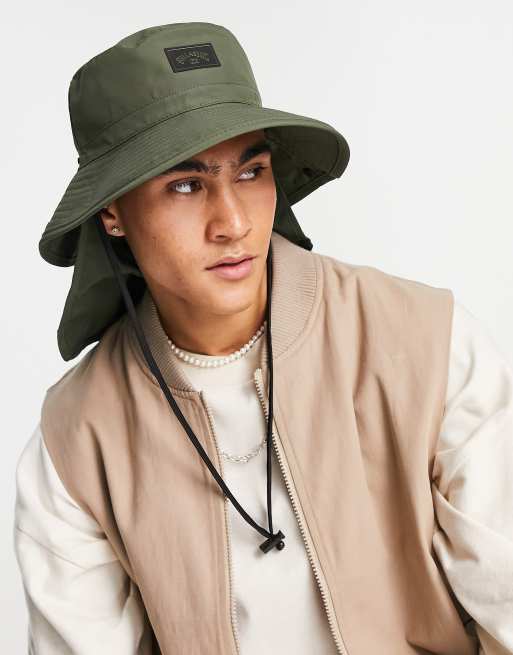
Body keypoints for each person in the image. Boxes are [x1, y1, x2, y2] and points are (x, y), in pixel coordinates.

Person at [13, 21, 513, 655]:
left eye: (251, 171)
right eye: (186, 185)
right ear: (112, 213)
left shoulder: (426, 345)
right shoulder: (78, 439)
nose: (232, 222)